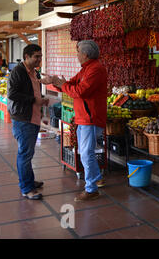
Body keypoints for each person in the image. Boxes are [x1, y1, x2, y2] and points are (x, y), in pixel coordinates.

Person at [41, 40, 107, 202]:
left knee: (86, 153)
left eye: (78, 53)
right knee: (86, 152)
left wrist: (60, 84)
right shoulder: (86, 69)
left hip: (89, 118)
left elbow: (79, 91)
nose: (77, 55)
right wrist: (55, 82)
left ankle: (91, 189)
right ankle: (96, 177)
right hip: (83, 117)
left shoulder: (96, 70)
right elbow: (70, 84)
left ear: (85, 54)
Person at [7, 44, 49, 200]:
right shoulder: (18, 71)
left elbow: (33, 89)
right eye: (36, 56)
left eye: (40, 56)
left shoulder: (33, 71)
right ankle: (26, 188)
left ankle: (29, 181)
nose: (39, 59)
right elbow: (12, 94)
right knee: (24, 154)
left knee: (28, 153)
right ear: (26, 56)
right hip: (24, 119)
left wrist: (41, 100)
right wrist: (34, 100)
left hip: (33, 116)